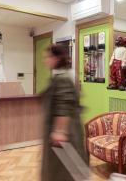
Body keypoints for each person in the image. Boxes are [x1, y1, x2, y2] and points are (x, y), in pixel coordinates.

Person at [41, 44, 88, 181]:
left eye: (48, 57)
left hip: (65, 133)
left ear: (56, 58)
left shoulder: (63, 78)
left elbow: (63, 106)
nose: (45, 60)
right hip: (64, 133)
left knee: (66, 171)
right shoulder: (63, 75)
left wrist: (59, 131)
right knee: (68, 169)